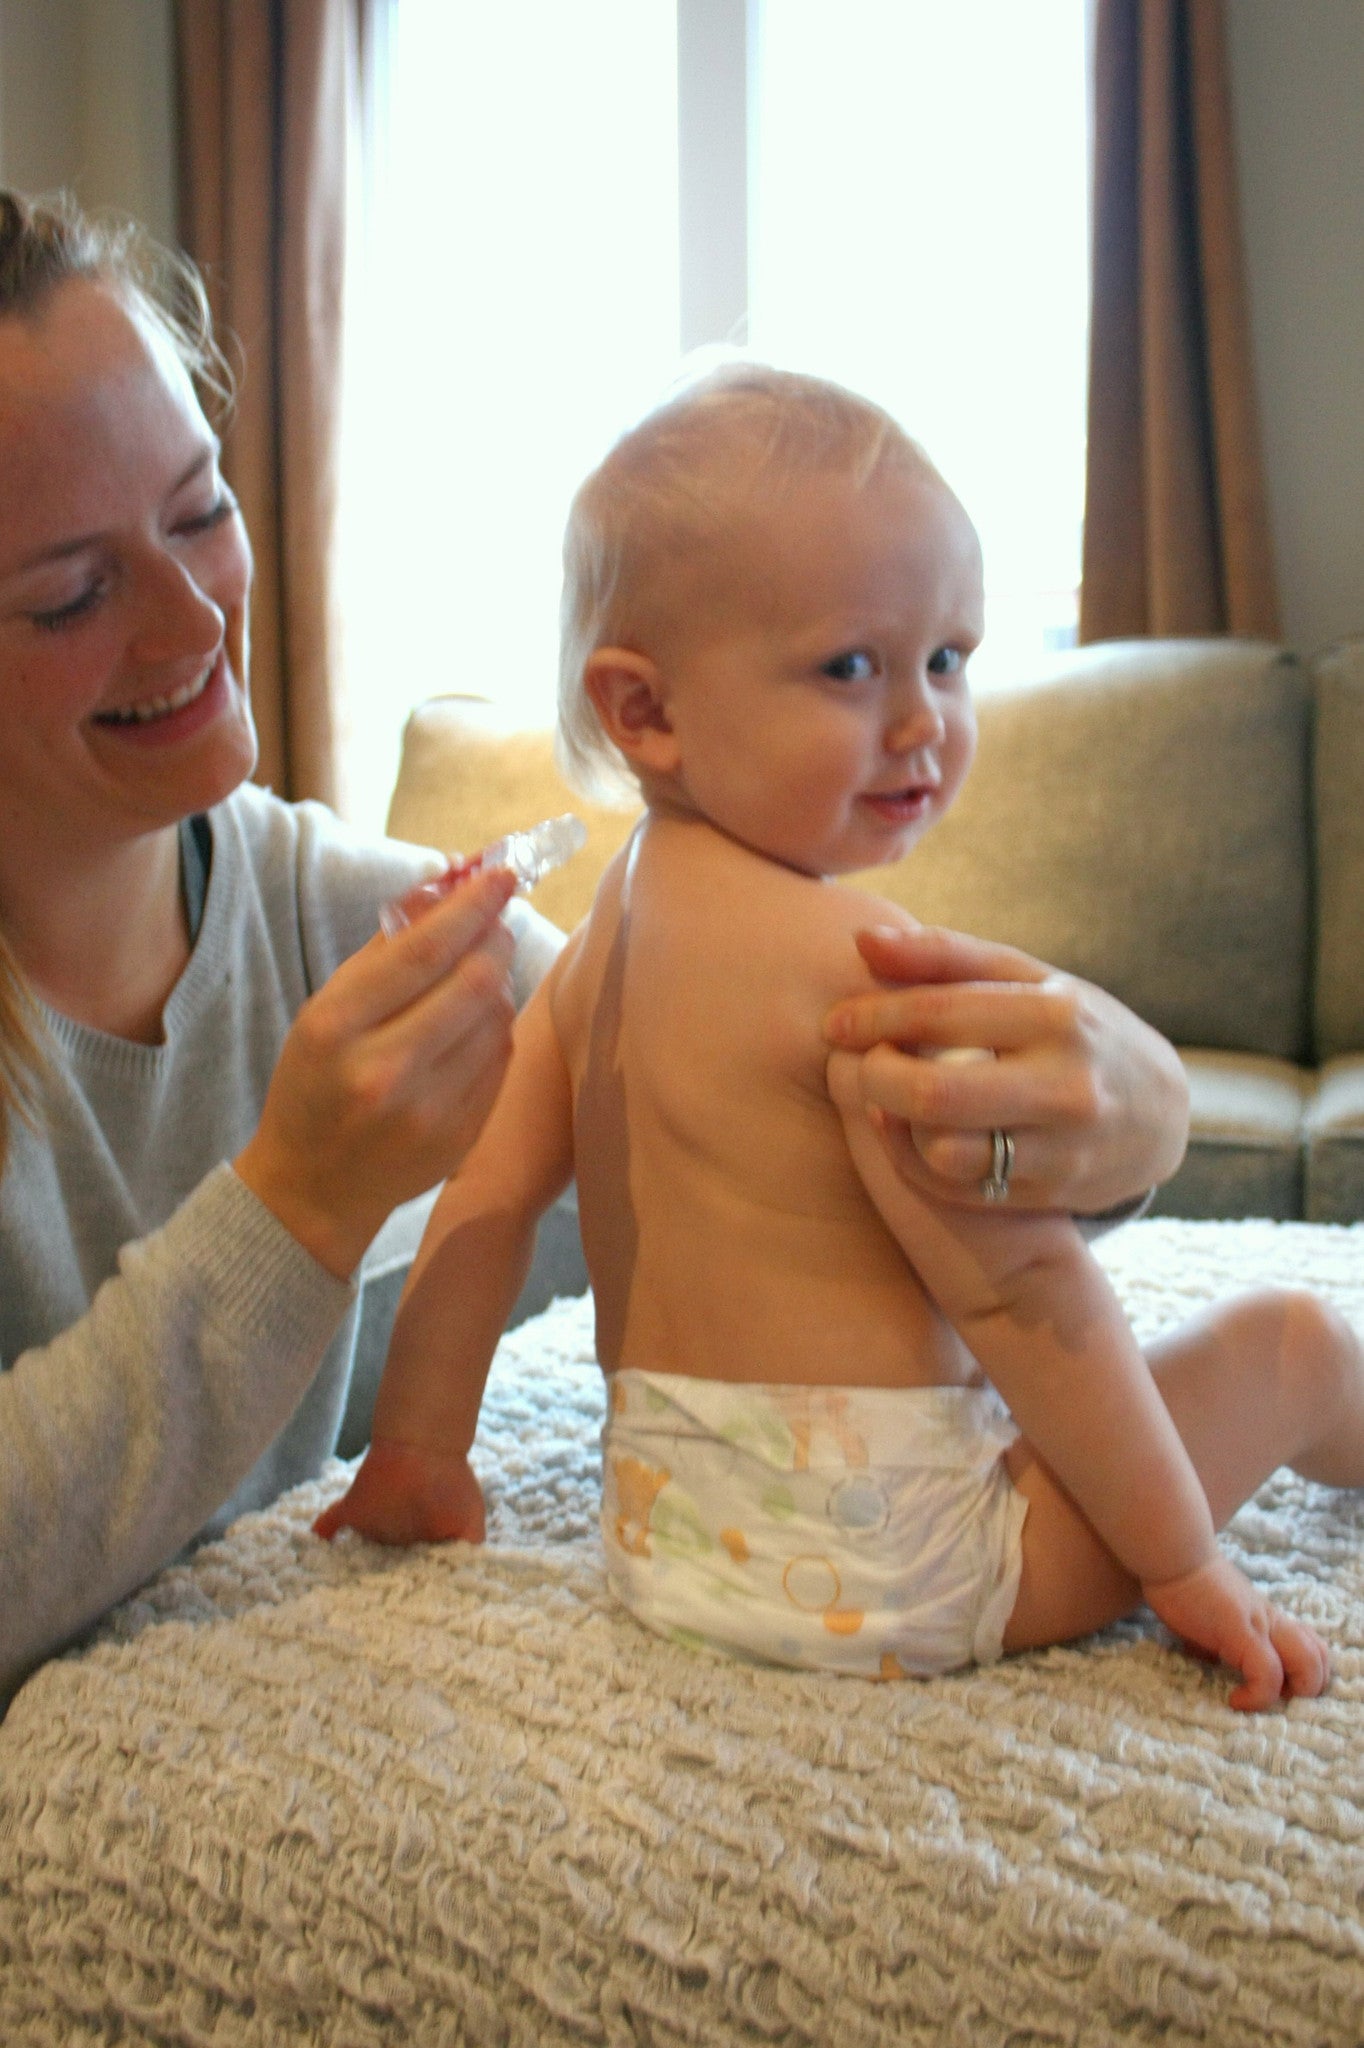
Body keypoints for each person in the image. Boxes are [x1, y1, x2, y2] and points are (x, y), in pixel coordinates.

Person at [0, 188, 1184, 1711]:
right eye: (70, 596)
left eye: (201, 510)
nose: (190, 619)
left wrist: (1133, 1125)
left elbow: (758, 1178)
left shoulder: (346, 917)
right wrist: (293, 1207)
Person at [320, 364, 1364, 1712]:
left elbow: (488, 1197)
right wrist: (1180, 1563)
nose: (925, 719)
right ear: (645, 711)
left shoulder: (603, 943)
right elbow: (1023, 1296)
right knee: (1292, 1345)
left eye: (950, 658)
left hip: (670, 1544)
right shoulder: (851, 974)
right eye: (852, 666)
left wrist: (414, 1454)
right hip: (897, 1569)